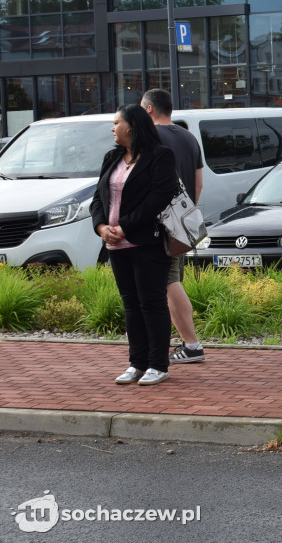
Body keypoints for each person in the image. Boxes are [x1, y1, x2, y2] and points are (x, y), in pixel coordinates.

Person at [90, 104, 179, 386]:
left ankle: (157, 365)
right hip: (116, 245)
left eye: (116, 122)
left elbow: (159, 197)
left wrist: (124, 226)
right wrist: (102, 227)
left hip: (147, 242)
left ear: (132, 126)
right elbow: (97, 198)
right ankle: (136, 363)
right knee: (131, 304)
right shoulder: (112, 157)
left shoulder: (160, 155)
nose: (113, 128)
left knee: (151, 303)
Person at [140, 88, 206, 364]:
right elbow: (198, 182)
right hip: (181, 223)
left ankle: (192, 346)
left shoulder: (150, 137)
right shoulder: (189, 137)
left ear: (149, 109)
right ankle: (187, 343)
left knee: (168, 283)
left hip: (158, 223)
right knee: (173, 280)